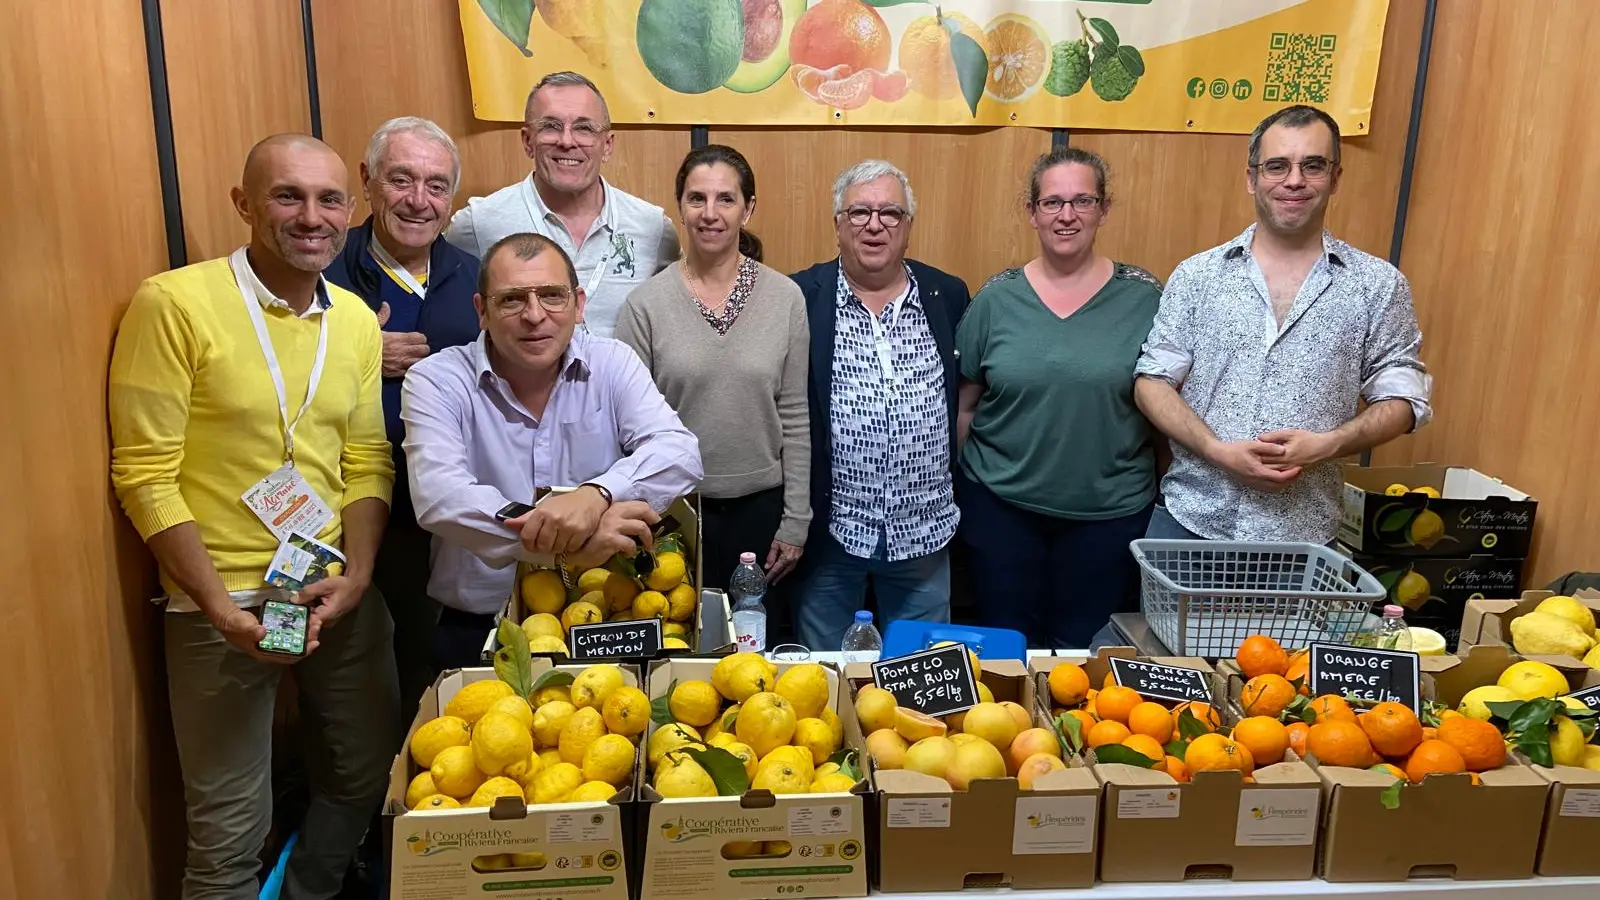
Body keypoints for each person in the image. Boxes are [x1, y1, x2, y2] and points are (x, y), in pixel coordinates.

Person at [109, 134, 397, 900]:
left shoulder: (359, 321)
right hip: (223, 604)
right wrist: (215, 607)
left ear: (350, 210)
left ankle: (302, 891)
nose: (312, 217)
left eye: (330, 199)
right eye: (287, 196)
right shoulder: (175, 304)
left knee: (368, 775)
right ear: (244, 204)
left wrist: (360, 574)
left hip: (331, 591)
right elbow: (144, 472)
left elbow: (367, 458)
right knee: (228, 834)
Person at [402, 233, 703, 667]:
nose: (535, 315)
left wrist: (597, 494)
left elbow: (679, 452)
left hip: (599, 619)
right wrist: (565, 543)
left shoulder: (613, 363)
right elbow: (441, 497)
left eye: (551, 296)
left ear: (578, 304)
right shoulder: (436, 381)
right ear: (481, 311)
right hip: (476, 626)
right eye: (511, 300)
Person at [1134, 105, 1431, 544]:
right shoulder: (1198, 276)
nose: (1295, 180)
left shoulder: (1378, 286)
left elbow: (1405, 400)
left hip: (1303, 541)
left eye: (1313, 165)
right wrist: (1217, 451)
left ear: (1336, 178)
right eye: (1277, 166)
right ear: (1252, 178)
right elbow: (1151, 382)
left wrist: (1326, 445)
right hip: (1191, 526)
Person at [955, 148, 1163, 649]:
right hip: (1002, 511)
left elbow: (1165, 413)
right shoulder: (995, 299)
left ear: (1104, 209)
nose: (1066, 215)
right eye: (1051, 203)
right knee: (1005, 652)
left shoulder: (1147, 298)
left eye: (1081, 201)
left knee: (1080, 658)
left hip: (1109, 517)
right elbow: (964, 405)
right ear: (1032, 212)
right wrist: (970, 492)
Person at [614, 145, 811, 627]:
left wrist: (796, 521)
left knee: (756, 659)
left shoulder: (785, 298)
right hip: (673, 515)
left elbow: (796, 415)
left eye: (726, 199)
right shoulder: (646, 306)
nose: (710, 213)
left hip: (761, 516)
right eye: (696, 198)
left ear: (749, 208)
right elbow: (624, 428)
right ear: (679, 206)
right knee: (683, 658)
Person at [324, 116, 480, 715]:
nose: (419, 201)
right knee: (352, 687)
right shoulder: (323, 275)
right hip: (347, 515)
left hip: (449, 516)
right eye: (401, 180)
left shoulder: (475, 279)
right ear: (368, 182)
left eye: (437, 186)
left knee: (436, 670)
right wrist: (360, 353)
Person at [787, 160, 969, 651]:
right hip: (834, 530)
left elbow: (967, 395)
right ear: (837, 225)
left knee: (923, 679)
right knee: (822, 680)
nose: (874, 225)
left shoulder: (946, 294)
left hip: (925, 530)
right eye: (859, 212)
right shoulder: (800, 296)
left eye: (890, 213)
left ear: (908, 225)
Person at [446, 71, 678, 338]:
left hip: (622, 379)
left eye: (584, 128)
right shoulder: (478, 223)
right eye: (550, 126)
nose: (567, 141)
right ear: (527, 141)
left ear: (608, 145)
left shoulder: (653, 228)